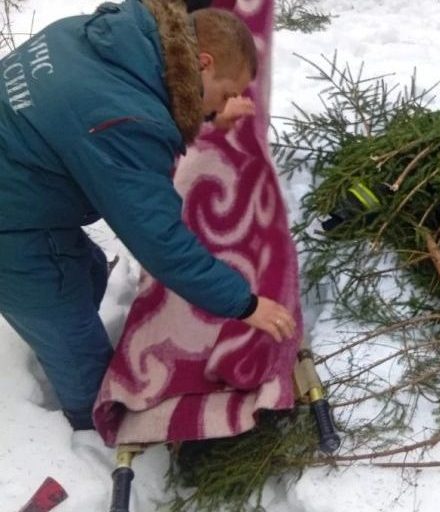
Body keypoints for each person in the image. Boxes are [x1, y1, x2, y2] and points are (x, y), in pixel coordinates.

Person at [0, 0, 296, 431]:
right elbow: (160, 242)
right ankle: (85, 424)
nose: (229, 102)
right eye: (228, 90)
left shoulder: (117, 40)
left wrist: (208, 110)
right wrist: (245, 304)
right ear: (203, 62)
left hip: (22, 175)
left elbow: (128, 108)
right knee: (68, 330)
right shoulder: (122, 118)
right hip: (11, 222)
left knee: (87, 272)